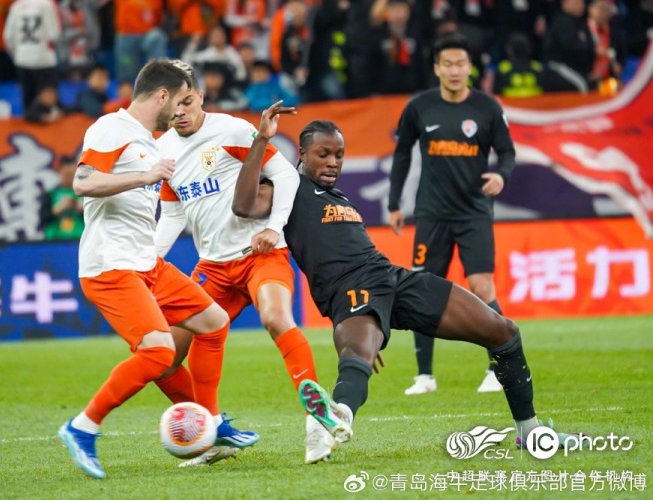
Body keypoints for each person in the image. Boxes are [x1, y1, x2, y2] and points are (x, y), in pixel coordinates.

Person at [232, 102, 577, 457]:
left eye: (339, 155)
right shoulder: (288, 189)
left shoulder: (338, 196)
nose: (333, 162)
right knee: (357, 357)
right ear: (303, 154)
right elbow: (243, 205)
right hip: (352, 289)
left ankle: (529, 432)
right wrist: (262, 140)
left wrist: (377, 318)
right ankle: (333, 419)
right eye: (324, 154)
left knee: (504, 332)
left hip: (392, 279)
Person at [56, 59, 258, 480]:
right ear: (162, 95)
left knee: (214, 322)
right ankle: (82, 427)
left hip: (146, 262)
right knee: (159, 352)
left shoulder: (150, 141)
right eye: (179, 100)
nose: (181, 110)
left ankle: (211, 422)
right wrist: (143, 176)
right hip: (111, 265)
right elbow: (83, 182)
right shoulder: (111, 128)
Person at [154, 62, 331, 464]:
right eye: (172, 105)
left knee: (276, 318)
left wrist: (274, 227)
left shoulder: (232, 130)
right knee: (162, 358)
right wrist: (146, 262)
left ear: (200, 97)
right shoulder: (164, 150)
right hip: (213, 268)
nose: (180, 111)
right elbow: (173, 215)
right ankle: (211, 430)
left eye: (187, 101)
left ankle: (319, 422)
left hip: (260, 256)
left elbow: (285, 175)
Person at [387, 32, 515, 396]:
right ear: (437, 68)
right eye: (448, 64)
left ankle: (498, 369)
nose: (455, 70)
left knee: (482, 286)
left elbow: (507, 152)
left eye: (461, 63)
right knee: (423, 290)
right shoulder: (419, 107)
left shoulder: (487, 108)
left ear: (470, 67)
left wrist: (502, 176)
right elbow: (402, 154)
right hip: (431, 214)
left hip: (474, 212)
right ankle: (425, 377)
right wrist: (395, 203)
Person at [40, 155, 84, 240]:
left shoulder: (84, 193)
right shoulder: (51, 194)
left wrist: (80, 210)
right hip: (54, 241)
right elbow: (42, 219)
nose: (70, 178)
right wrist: (58, 209)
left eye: (72, 174)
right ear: (60, 172)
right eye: (67, 174)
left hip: (79, 240)